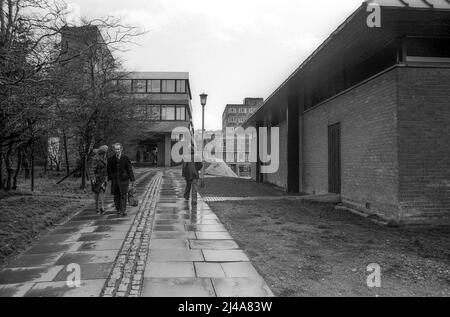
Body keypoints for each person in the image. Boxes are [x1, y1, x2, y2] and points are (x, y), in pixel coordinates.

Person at [107, 143, 136, 216]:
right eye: (116, 149)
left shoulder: (125, 158)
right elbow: (109, 170)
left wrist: (132, 179)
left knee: (123, 195)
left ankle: (123, 210)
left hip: (124, 180)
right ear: (114, 150)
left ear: (121, 149)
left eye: (118, 149)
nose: (117, 150)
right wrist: (111, 178)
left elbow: (129, 169)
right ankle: (118, 209)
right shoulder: (111, 159)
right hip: (115, 180)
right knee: (116, 195)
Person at [92, 145, 109, 214]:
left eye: (106, 151)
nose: (105, 153)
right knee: (96, 192)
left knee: (102, 191)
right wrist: (93, 178)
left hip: (103, 178)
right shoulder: (95, 158)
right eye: (105, 151)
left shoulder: (105, 158)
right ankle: (96, 206)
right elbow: (91, 169)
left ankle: (102, 207)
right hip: (96, 178)